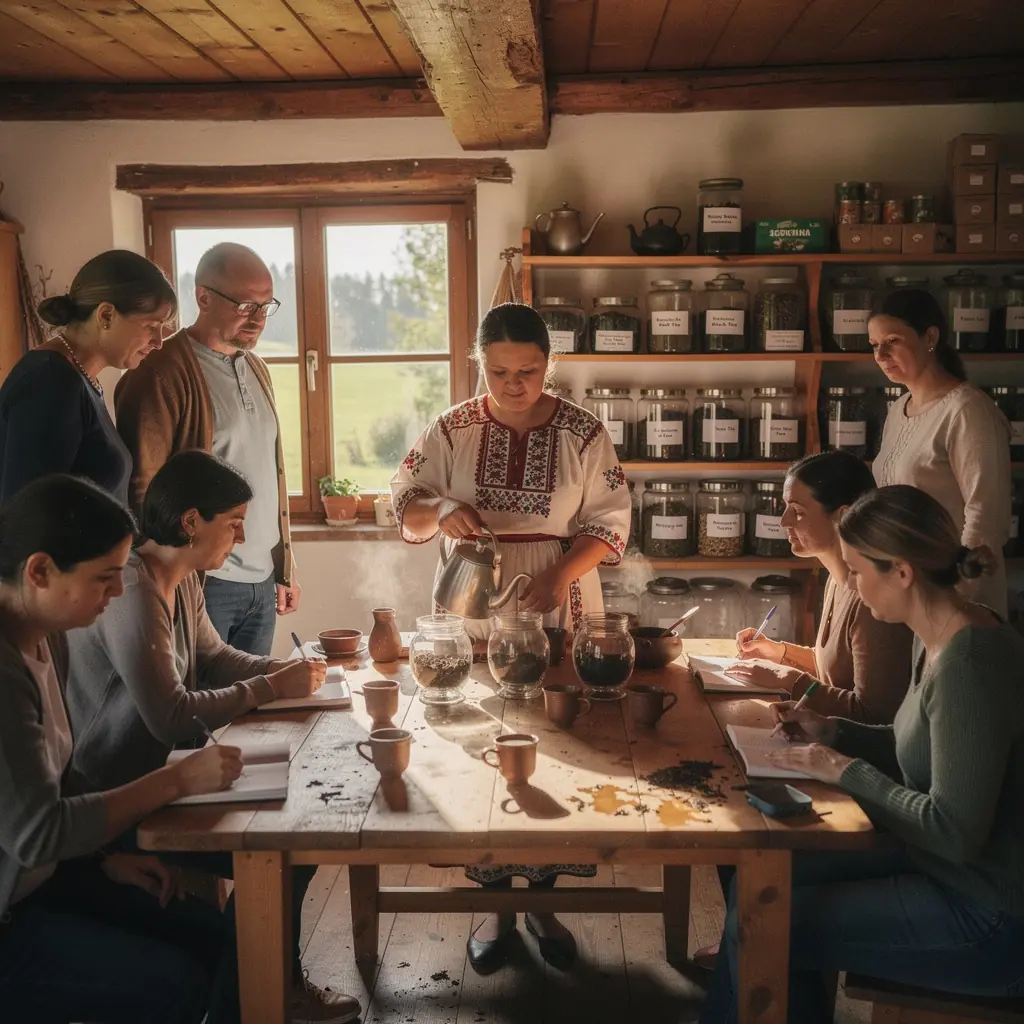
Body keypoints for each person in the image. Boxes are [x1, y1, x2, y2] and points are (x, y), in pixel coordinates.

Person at [699, 485, 1024, 1024]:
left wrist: (844, 771)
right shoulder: (938, 630)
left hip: (989, 914)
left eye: (856, 570)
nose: (850, 584)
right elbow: (922, 746)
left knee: (765, 923)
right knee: (761, 887)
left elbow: (954, 832)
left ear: (902, 572)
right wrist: (834, 732)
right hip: (938, 865)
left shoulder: (969, 664)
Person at [64, 449, 361, 1024]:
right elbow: (172, 717)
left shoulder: (185, 579)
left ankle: (264, 990)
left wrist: (282, 671)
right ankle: (252, 1000)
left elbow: (215, 658)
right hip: (115, 803)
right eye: (233, 523)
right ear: (191, 521)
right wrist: (271, 687)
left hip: (158, 782)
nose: (242, 537)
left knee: (295, 843)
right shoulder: (133, 589)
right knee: (286, 852)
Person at [392, 302, 631, 973]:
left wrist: (560, 573)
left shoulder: (583, 432)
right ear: (480, 363)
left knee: (553, 749)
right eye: (499, 372)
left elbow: (611, 523)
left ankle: (545, 904)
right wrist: (441, 508)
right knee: (480, 749)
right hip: (473, 600)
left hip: (558, 595)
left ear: (548, 364)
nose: (514, 384)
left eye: (528, 371)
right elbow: (404, 506)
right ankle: (495, 908)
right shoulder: (453, 428)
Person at [0, 473, 245, 1024]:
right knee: (173, 984)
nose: (117, 592)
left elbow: (58, 778)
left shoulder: (45, 633)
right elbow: (38, 833)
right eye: (104, 577)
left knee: (214, 937)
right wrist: (177, 779)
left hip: (49, 878)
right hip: (13, 910)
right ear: (39, 571)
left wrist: (106, 858)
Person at [115, 242, 298, 656]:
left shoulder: (256, 367)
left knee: (255, 695)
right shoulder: (158, 372)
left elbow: (266, 472)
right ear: (203, 297)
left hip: (261, 583)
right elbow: (142, 490)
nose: (258, 319)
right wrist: (166, 587)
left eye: (266, 306)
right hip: (202, 583)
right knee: (198, 693)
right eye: (245, 306)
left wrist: (283, 568)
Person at [726, 450, 914, 722]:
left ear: (843, 516)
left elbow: (874, 715)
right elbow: (836, 669)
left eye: (798, 512)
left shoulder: (873, 601)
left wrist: (789, 679)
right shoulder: (835, 580)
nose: (784, 521)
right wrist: (780, 653)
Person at [870, 289, 1011, 615]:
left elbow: (985, 520)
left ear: (930, 337)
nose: (881, 355)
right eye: (874, 345)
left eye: (892, 341)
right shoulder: (898, 409)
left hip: (959, 598)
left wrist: (953, 597)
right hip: (910, 589)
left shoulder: (967, 409)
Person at [0, 249, 175, 504]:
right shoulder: (51, 382)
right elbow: (30, 514)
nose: (159, 342)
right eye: (151, 327)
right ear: (106, 315)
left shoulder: (79, 376)